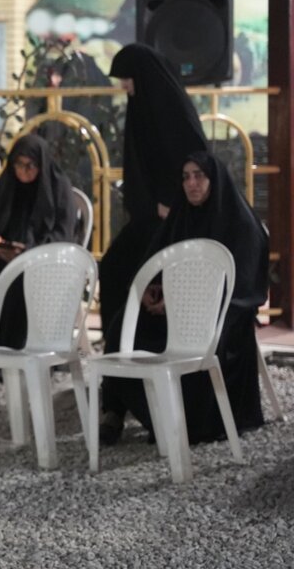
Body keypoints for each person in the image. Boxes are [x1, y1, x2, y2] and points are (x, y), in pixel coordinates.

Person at [100, 152, 267, 444]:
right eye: (186, 177)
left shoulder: (240, 224)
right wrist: (151, 292)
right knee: (122, 324)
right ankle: (114, 411)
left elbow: (242, 287)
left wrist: (185, 304)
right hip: (171, 316)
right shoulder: (181, 218)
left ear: (215, 180)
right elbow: (154, 263)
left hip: (220, 317)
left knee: (205, 342)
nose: (192, 183)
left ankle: (182, 422)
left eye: (199, 176)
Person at [98, 44, 208, 442]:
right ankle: (117, 396)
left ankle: (143, 401)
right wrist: (152, 206)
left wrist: (172, 202)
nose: (124, 86)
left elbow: (196, 165)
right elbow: (140, 173)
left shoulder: (170, 109)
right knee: (115, 271)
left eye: (127, 78)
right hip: (150, 222)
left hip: (178, 227)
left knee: (143, 291)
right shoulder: (142, 107)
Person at [0, 134, 81, 354]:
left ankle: (12, 354)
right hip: (7, 259)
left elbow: (62, 235)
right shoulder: (8, 185)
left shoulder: (57, 188)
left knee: (16, 281)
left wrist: (28, 252)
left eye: (30, 165)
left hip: (43, 263)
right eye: (19, 164)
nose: (24, 171)